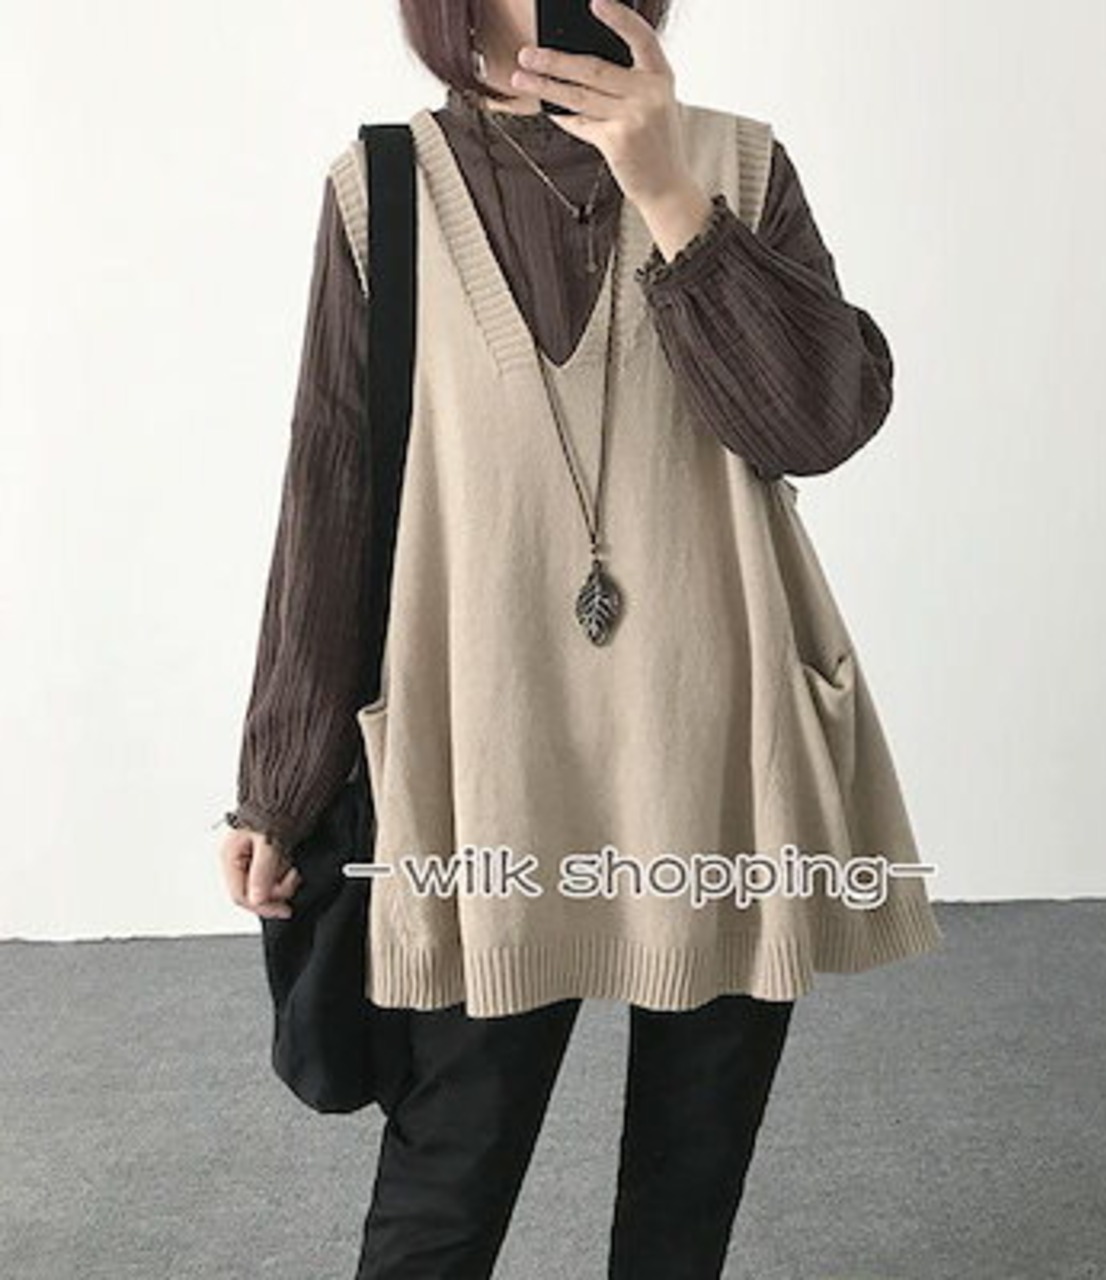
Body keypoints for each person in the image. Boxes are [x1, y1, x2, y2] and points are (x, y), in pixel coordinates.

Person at [218, 1, 944, 1275]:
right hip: (490, 756)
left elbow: (818, 422)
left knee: (687, 1181)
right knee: (449, 1171)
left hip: (719, 748)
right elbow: (330, 492)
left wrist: (666, 193)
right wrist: (280, 784)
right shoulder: (382, 191)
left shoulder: (732, 167)